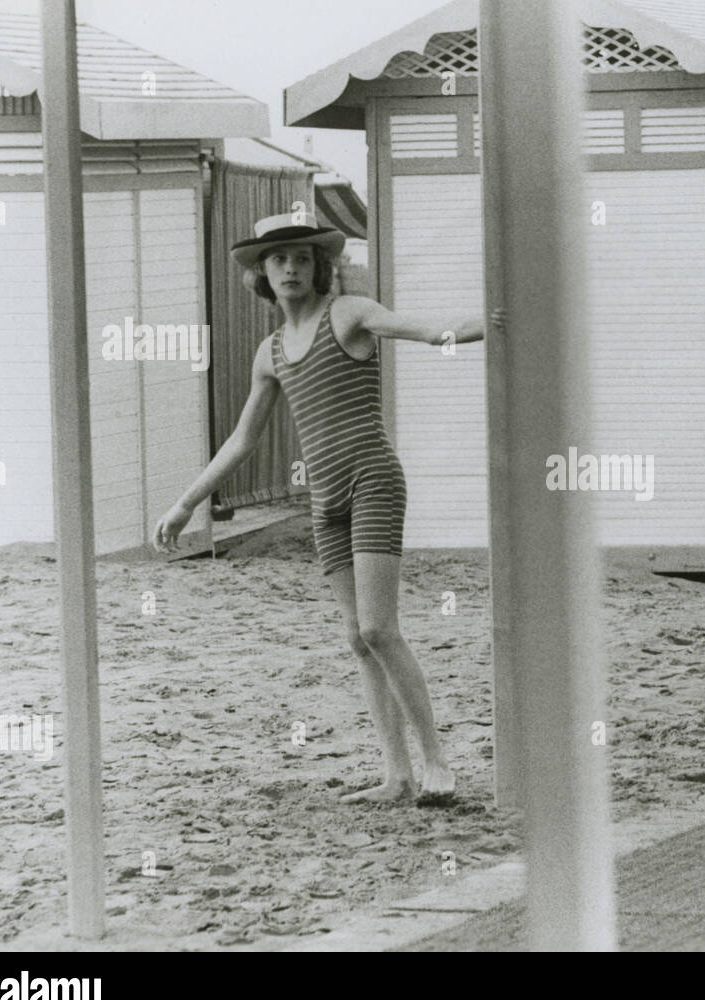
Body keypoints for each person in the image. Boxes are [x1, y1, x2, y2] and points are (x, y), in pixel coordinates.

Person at [154, 212, 499, 804]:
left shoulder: (348, 314)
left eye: (303, 258)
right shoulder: (269, 354)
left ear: (320, 269)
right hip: (325, 500)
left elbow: (421, 330)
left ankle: (437, 764)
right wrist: (187, 503)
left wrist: (480, 326)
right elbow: (242, 440)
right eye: (279, 259)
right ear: (262, 273)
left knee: (378, 627)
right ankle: (396, 776)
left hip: (372, 480)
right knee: (356, 638)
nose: (291, 267)